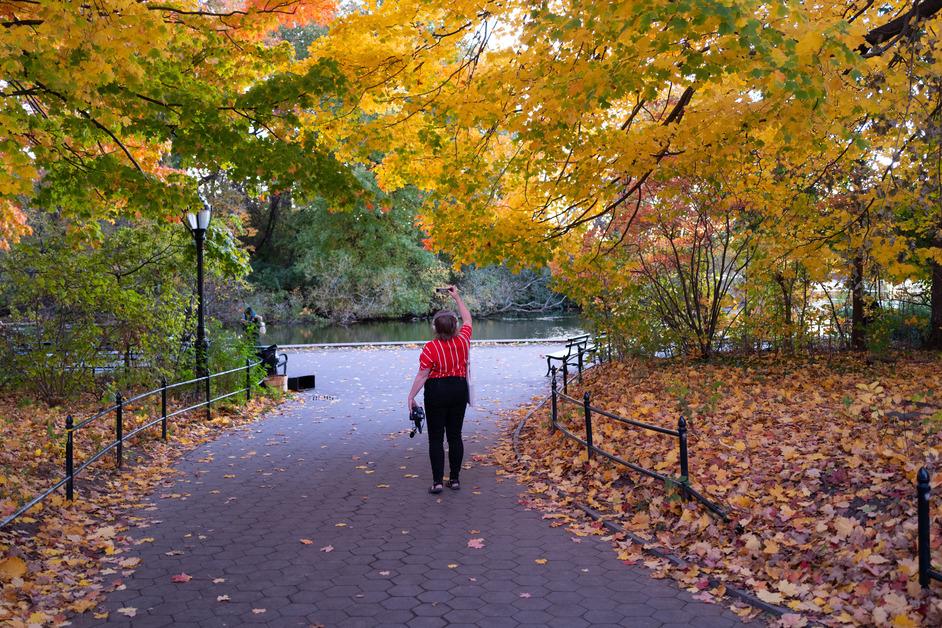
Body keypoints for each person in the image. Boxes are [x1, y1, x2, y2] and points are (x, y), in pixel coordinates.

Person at [407, 286, 472, 494]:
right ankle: (454, 479)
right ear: (455, 327)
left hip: (436, 391)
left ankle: (437, 482)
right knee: (455, 435)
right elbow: (468, 320)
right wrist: (457, 297)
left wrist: (411, 397)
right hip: (459, 389)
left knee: (436, 437)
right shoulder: (463, 340)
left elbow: (423, 374)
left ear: (435, 328)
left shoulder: (430, 348)